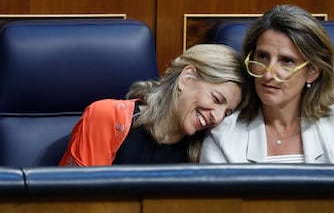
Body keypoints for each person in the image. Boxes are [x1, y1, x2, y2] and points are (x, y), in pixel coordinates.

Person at [199, 4, 334, 164]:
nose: (268, 73)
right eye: (262, 57)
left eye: (286, 61)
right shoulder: (223, 135)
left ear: (313, 72)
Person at [59, 44, 249, 166]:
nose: (217, 117)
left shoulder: (207, 151)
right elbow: (79, 207)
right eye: (216, 99)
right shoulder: (108, 117)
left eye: (226, 113)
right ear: (187, 78)